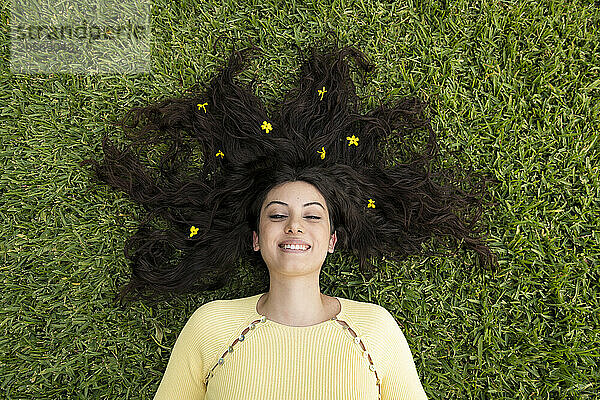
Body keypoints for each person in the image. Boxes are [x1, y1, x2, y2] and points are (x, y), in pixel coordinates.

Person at [80, 38, 499, 399]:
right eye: (277, 215)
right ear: (257, 238)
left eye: (312, 217)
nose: (294, 226)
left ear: (332, 239)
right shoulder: (212, 326)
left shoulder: (375, 329)